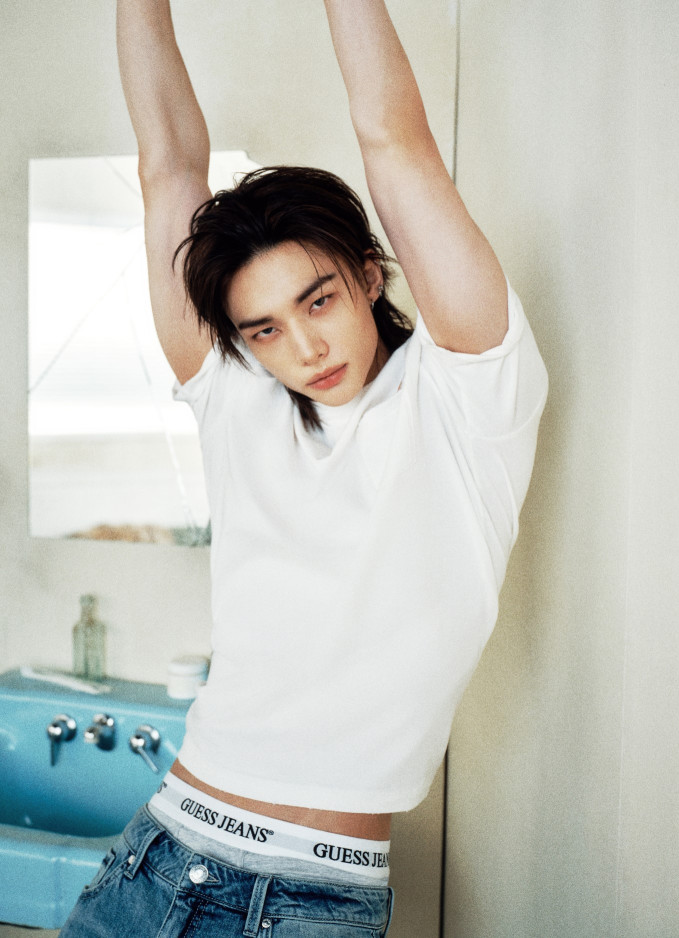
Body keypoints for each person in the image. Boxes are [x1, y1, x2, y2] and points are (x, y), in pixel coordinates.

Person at [60, 1, 548, 935]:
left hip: (307, 902)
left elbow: (396, 141)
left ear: (368, 273)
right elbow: (168, 166)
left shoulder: (467, 399)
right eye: (265, 330)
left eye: (318, 299)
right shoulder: (235, 400)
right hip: (149, 862)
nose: (305, 347)